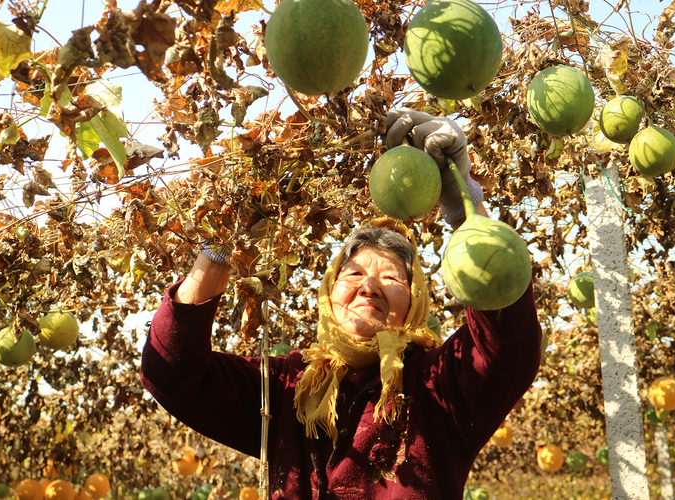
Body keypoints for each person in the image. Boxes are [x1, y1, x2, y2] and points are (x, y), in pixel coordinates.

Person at [140, 109, 543, 499]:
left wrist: (465, 210)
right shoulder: (286, 388)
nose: (370, 286)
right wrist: (221, 247)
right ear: (327, 294)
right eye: (353, 274)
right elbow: (172, 371)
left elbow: (507, 344)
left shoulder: (437, 385)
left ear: (415, 302)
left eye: (390, 278)